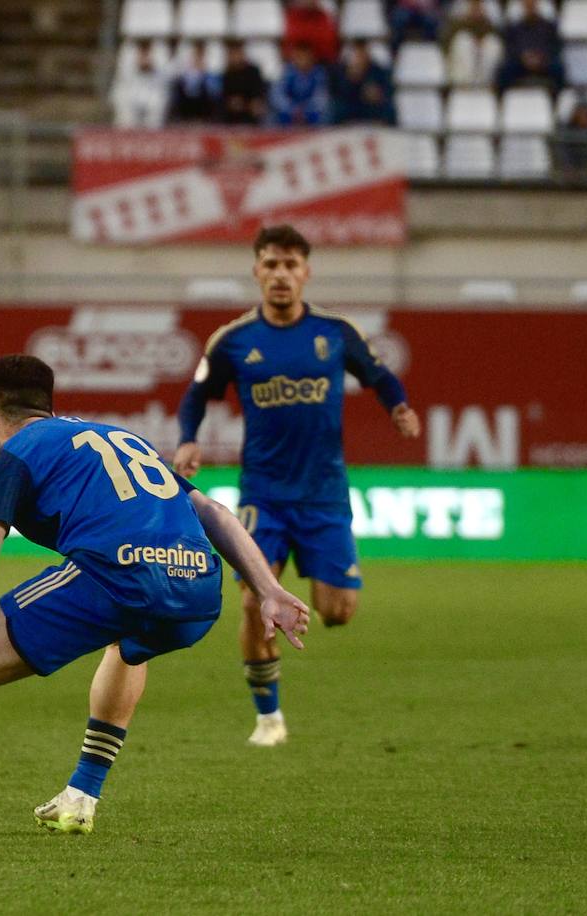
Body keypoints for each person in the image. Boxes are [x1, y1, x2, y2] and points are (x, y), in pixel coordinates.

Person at [0, 355, 310, 844]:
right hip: (200, 586)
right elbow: (214, 511)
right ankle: (81, 797)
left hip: (117, 571)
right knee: (128, 643)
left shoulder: (18, 453)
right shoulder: (122, 439)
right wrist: (269, 590)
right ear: (48, 407)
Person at [173, 225, 420, 748]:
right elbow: (196, 394)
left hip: (325, 495)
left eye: (290, 265)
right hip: (262, 496)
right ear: (257, 272)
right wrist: (189, 439)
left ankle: (320, 584)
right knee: (250, 602)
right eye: (270, 265)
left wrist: (398, 407)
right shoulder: (234, 340)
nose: (281, 275)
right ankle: (269, 718)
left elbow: (378, 375)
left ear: (306, 272)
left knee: (337, 613)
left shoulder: (336, 333)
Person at [498, 0, 564, 92]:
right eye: (527, 4)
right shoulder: (514, 28)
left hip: (544, 62)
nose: (530, 7)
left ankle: (557, 99)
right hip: (521, 62)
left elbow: (555, 46)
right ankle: (502, 99)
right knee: (504, 71)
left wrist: (541, 57)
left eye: (532, 4)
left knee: (558, 69)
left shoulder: (548, 26)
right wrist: (523, 57)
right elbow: (510, 48)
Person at [332, 39, 396, 124]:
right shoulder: (344, 70)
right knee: (338, 108)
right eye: (358, 54)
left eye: (363, 53)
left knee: (389, 109)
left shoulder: (378, 70)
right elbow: (340, 92)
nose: (361, 57)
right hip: (353, 104)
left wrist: (379, 94)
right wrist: (352, 80)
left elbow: (388, 89)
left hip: (372, 105)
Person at [442, 0, 502, 87]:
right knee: (463, 41)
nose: (476, 9)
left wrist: (479, 41)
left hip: (483, 52)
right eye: (474, 7)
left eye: (478, 7)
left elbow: (497, 34)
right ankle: (465, 84)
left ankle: (486, 83)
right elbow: (447, 38)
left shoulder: (489, 20)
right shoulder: (457, 23)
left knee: (492, 43)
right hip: (461, 57)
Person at [270, 43, 332, 126]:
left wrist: (306, 110)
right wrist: (292, 109)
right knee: (274, 115)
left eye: (305, 57)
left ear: (311, 58)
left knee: (326, 113)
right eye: (299, 57)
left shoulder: (318, 73)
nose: (303, 61)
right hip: (290, 113)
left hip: (311, 113)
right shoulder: (288, 72)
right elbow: (277, 95)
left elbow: (321, 96)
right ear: (294, 58)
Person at [167, 40, 221, 123]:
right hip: (186, 112)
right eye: (196, 56)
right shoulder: (183, 76)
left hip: (204, 113)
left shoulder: (211, 76)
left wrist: (204, 74)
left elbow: (214, 95)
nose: (198, 59)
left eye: (201, 56)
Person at [220, 39, 268, 125]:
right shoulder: (227, 74)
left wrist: (253, 103)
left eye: (237, 53)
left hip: (252, 112)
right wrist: (232, 103)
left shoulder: (254, 71)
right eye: (232, 54)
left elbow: (259, 93)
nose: (234, 57)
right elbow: (224, 97)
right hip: (232, 114)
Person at [282, 0, 339, 65]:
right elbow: (291, 42)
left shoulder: (323, 16)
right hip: (296, 63)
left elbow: (329, 44)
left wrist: (312, 55)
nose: (308, 1)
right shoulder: (293, 16)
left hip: (321, 62)